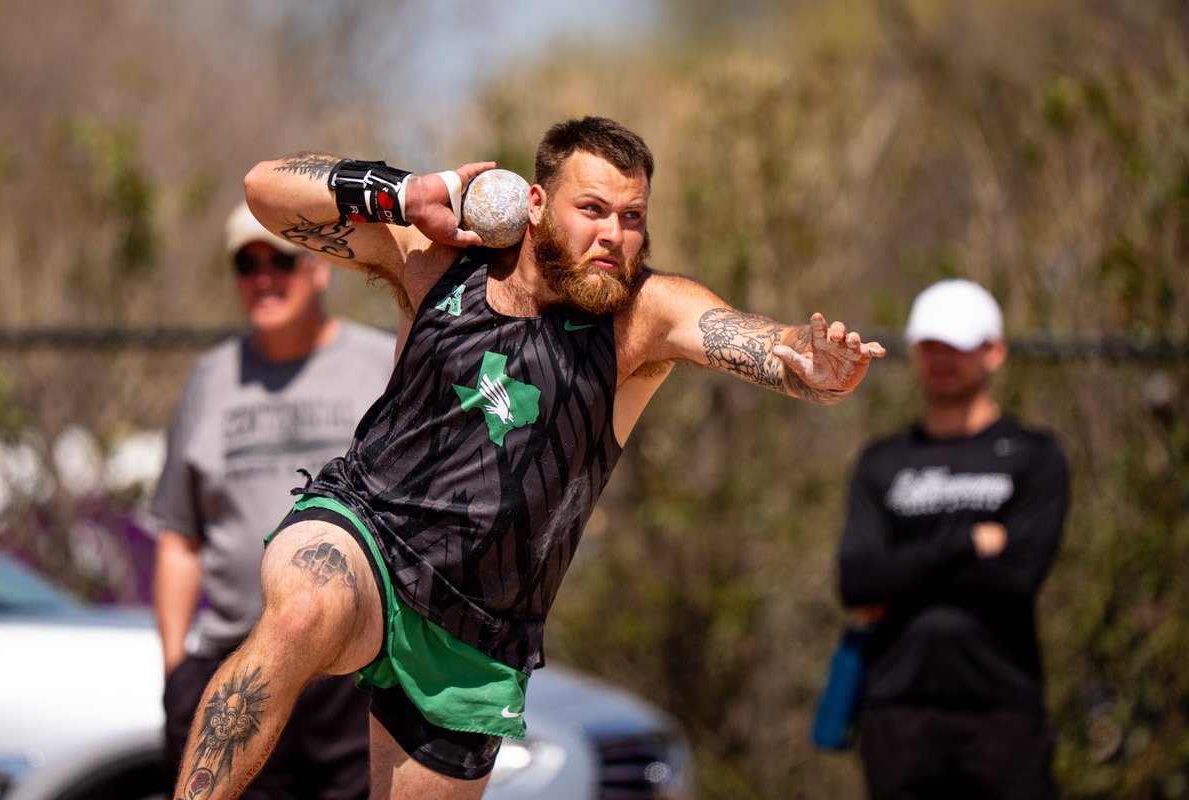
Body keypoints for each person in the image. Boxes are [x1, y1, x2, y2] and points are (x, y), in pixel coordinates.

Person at [172, 115, 886, 800]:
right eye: (594, 209)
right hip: (367, 537)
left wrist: (808, 367)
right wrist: (402, 191)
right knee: (303, 608)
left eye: (632, 217)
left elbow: (747, 336)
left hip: (477, 626)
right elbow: (265, 189)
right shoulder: (439, 262)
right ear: (537, 203)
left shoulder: (641, 317)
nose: (613, 235)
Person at [152, 202, 398, 798]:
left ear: (319, 268)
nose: (264, 276)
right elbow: (180, 537)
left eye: (281, 260)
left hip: (353, 674)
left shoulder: (384, 361)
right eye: (247, 262)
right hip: (237, 667)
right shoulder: (211, 378)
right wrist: (177, 669)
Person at [836, 278, 1069, 799]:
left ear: (994, 351)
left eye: (957, 347)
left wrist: (901, 576)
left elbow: (1016, 579)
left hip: (1002, 705)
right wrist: (965, 543)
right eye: (930, 347)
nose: (942, 360)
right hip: (898, 706)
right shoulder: (882, 462)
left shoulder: (1035, 456)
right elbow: (857, 580)